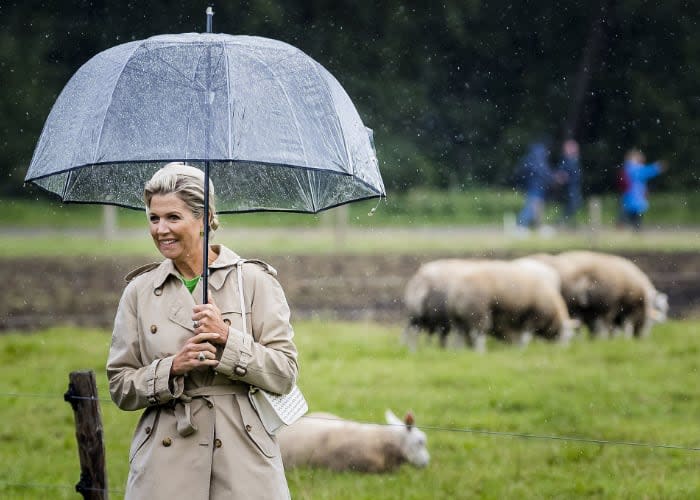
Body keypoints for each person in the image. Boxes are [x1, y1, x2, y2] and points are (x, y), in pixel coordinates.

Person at [107, 162, 298, 499]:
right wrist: (172, 368)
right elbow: (121, 386)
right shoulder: (139, 291)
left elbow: (284, 373)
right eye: (154, 218)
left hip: (242, 458)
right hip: (165, 461)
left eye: (173, 218)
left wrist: (227, 340)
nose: (161, 229)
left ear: (205, 219)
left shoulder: (253, 281)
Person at [618, 149, 666, 230]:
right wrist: (656, 167)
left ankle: (628, 228)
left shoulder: (628, 168)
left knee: (629, 216)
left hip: (630, 197)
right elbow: (645, 172)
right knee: (634, 216)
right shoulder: (633, 168)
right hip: (635, 197)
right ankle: (633, 228)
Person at [515, 141, 554, 230]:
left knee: (537, 207)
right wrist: (553, 177)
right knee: (532, 207)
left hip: (533, 186)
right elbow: (544, 171)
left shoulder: (530, 157)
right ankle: (521, 225)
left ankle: (538, 226)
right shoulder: (539, 158)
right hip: (537, 186)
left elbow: (522, 172)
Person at [554, 139, 583, 227]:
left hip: (573, 186)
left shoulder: (573, 159)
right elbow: (561, 173)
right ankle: (562, 222)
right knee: (572, 205)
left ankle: (564, 222)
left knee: (574, 205)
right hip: (569, 187)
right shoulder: (567, 160)